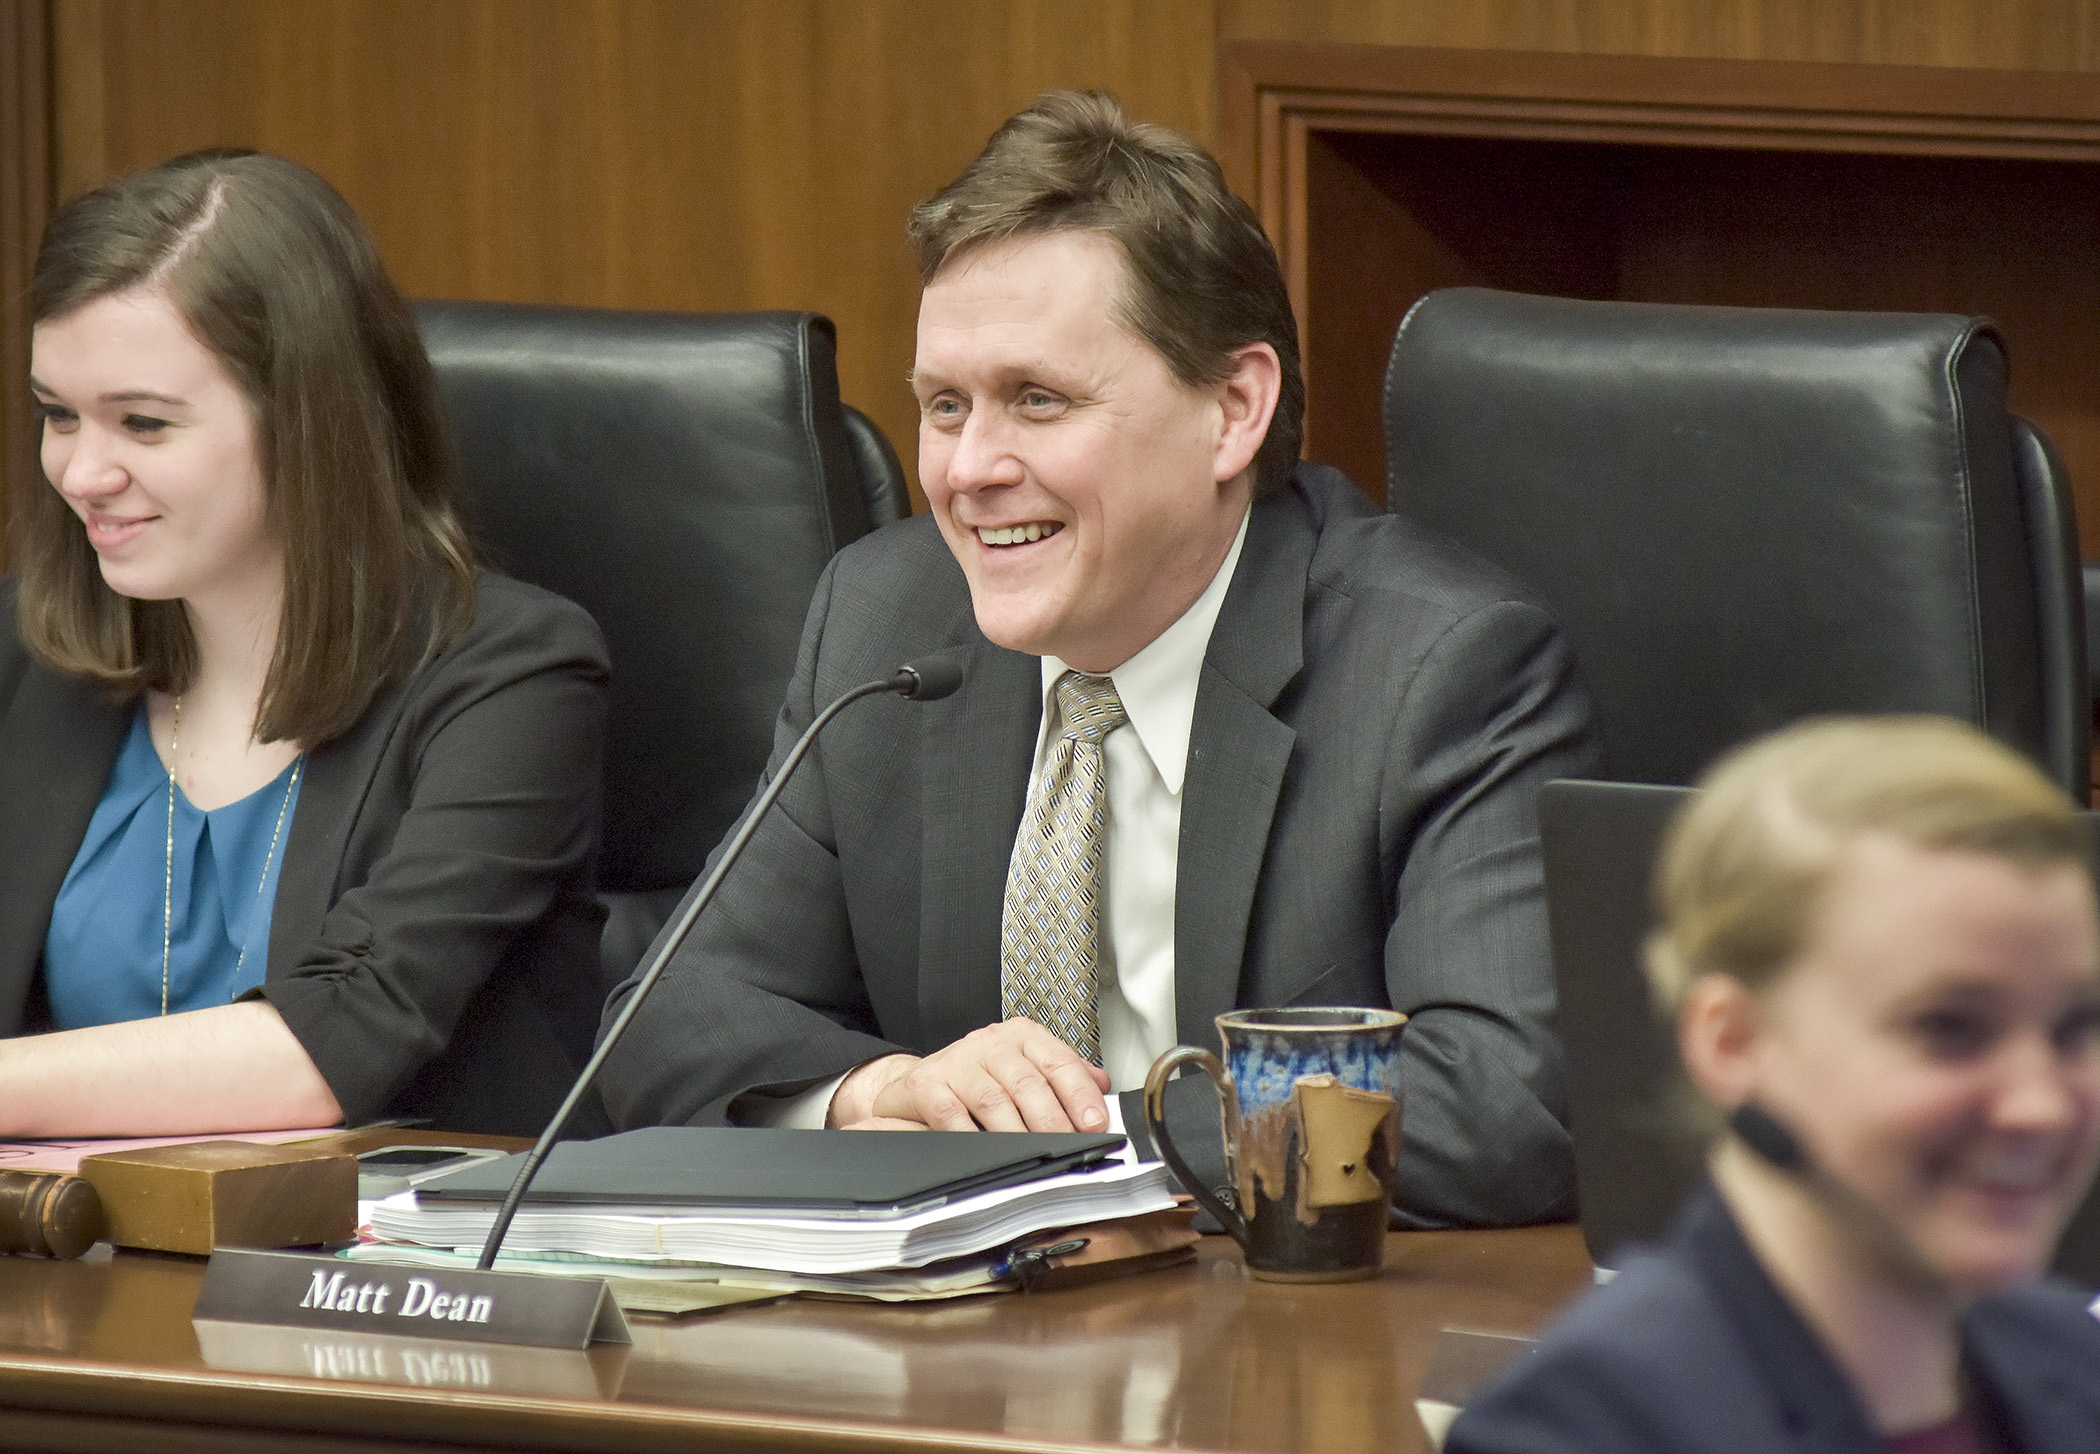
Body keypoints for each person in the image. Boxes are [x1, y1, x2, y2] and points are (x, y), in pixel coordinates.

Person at [597, 92, 1598, 1228]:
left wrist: (1088, 1144)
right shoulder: (888, 621)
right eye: (943, 405)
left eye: (1038, 400)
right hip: (960, 1364)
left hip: (1288, 1360)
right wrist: (889, 1093)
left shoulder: (1437, 668)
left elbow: (1505, 1106)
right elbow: (660, 1020)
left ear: (1233, 408)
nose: (970, 469)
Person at [1, 151, 609, 1138]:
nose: (81, 471)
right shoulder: (26, 660)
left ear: (308, 423)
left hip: (367, 1275)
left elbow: (337, 1042)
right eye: (58, 414)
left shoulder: (516, 678)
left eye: (143, 423)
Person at [1448, 716, 2100, 1453]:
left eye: (2076, 1029)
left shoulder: (2070, 1362)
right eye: (1948, 1029)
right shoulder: (1586, 1425)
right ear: (1734, 1043)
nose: (2040, 1105)